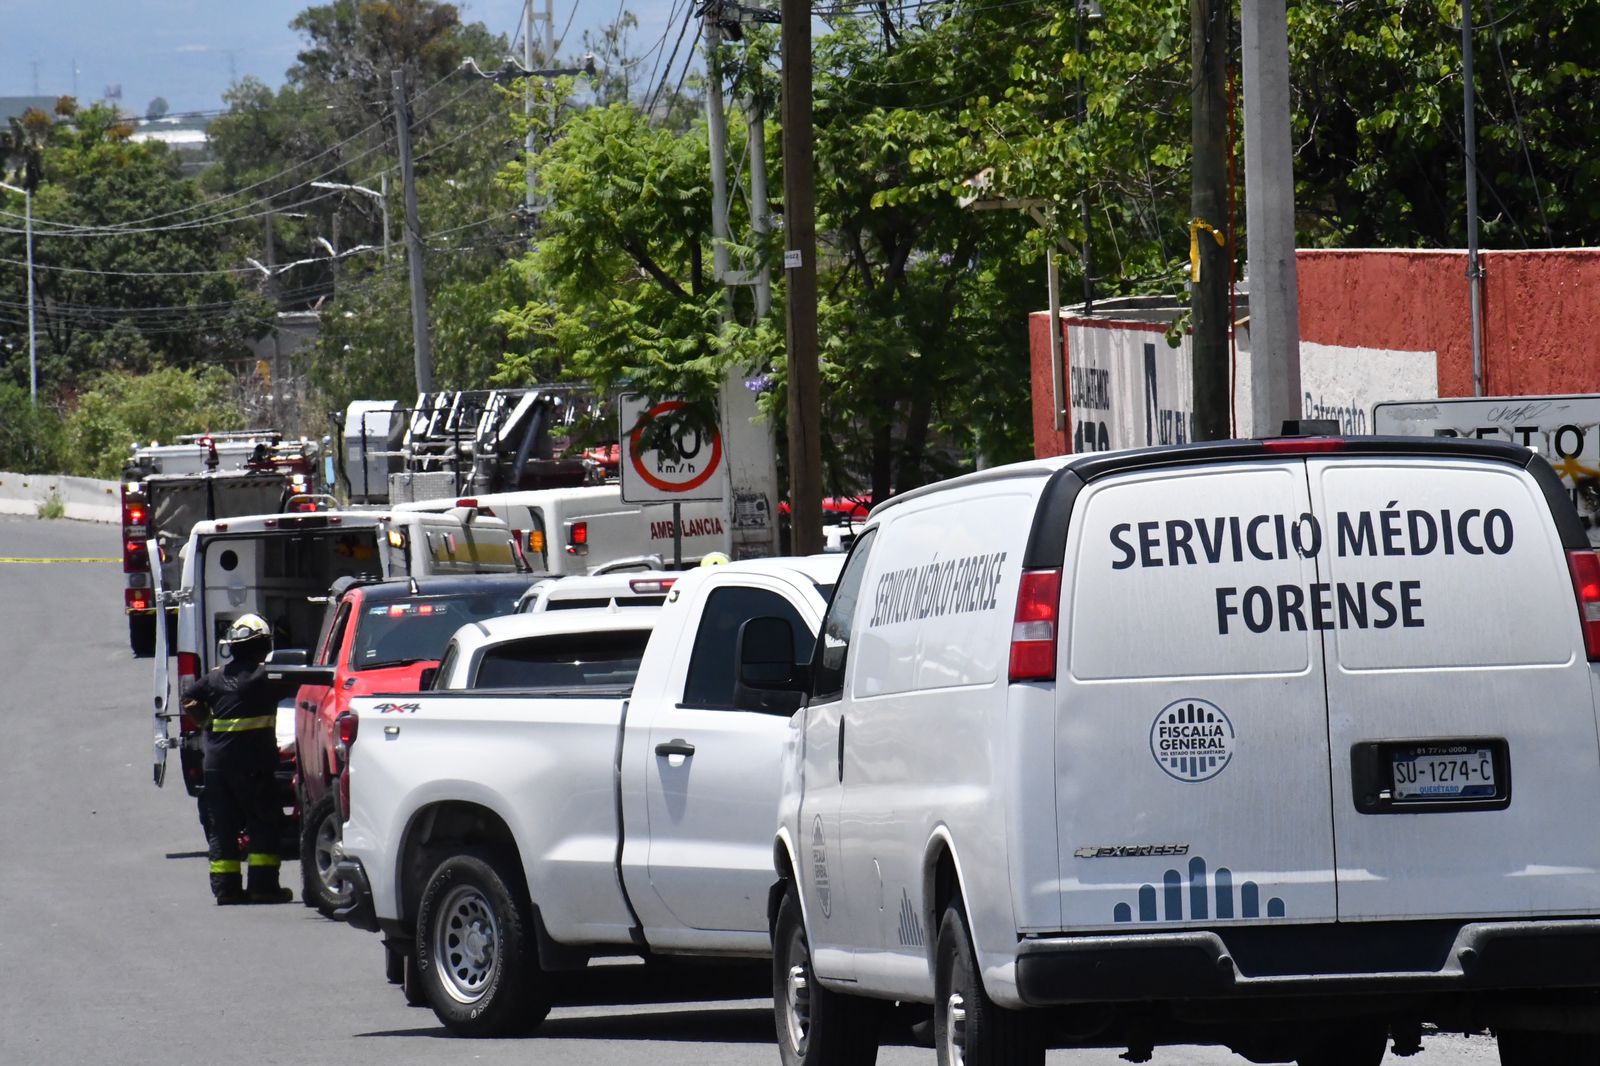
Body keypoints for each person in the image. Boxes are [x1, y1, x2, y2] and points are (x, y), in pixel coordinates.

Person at [183, 614, 298, 905]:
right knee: (262, 823)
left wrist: (207, 723)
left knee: (223, 828)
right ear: (263, 645)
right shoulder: (264, 677)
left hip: (217, 768)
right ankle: (263, 888)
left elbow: (189, 699)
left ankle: (226, 890)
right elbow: (298, 685)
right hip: (254, 766)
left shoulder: (214, 677)